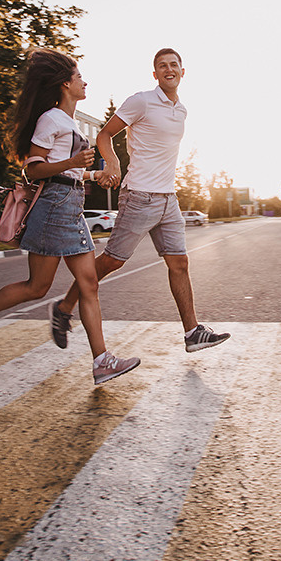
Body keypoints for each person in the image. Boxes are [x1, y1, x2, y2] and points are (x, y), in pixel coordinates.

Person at [0, 48, 140, 385]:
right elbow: (33, 168)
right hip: (54, 208)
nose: (84, 82)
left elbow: (68, 172)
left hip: (71, 205)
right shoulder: (51, 118)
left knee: (89, 283)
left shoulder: (67, 121)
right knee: (36, 287)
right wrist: (72, 163)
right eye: (79, 77)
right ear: (65, 83)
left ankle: (102, 362)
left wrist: (93, 175)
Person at [49, 48, 231, 353]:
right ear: (155, 74)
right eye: (163, 66)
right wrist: (113, 164)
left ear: (183, 71)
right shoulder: (141, 101)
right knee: (112, 261)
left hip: (168, 198)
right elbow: (104, 135)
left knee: (180, 263)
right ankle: (64, 308)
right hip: (139, 196)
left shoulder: (181, 110)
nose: (169, 69)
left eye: (174, 65)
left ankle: (192, 332)